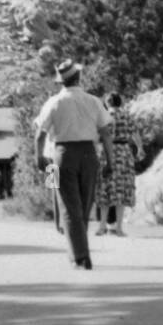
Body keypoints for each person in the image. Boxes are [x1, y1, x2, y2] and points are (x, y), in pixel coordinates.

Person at [33, 60, 113, 269]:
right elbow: (105, 133)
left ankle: (79, 254)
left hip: (61, 154)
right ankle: (79, 249)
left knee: (68, 206)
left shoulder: (54, 102)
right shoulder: (93, 101)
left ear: (61, 81)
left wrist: (38, 157)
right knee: (85, 204)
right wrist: (110, 160)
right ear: (78, 77)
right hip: (88, 153)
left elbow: (40, 135)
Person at [94, 93, 142, 237]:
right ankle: (119, 228)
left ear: (107, 103)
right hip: (125, 153)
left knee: (105, 189)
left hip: (108, 152)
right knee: (120, 190)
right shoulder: (127, 116)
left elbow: (98, 136)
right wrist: (140, 148)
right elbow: (136, 134)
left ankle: (102, 226)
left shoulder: (104, 116)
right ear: (120, 103)